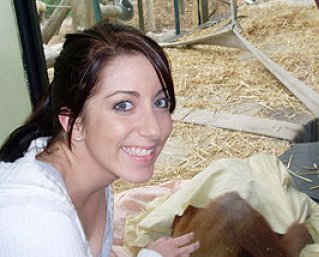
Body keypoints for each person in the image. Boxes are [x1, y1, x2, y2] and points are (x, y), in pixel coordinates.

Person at [0, 22, 199, 257]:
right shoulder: (37, 218)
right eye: (123, 105)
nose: (154, 130)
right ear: (74, 122)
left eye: (160, 102)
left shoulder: (91, 170)